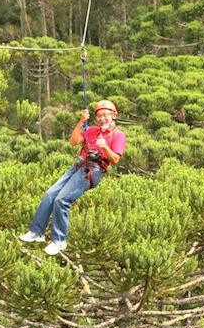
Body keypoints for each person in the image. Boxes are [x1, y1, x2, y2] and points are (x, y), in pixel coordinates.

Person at [19, 99, 126, 255]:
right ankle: (37, 232)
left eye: (105, 115)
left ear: (113, 115)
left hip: (92, 171)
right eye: (99, 116)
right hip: (78, 166)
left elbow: (115, 159)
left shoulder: (118, 135)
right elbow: (74, 141)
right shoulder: (92, 130)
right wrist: (81, 121)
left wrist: (104, 147)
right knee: (50, 195)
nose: (102, 119)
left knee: (62, 200)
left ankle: (59, 240)